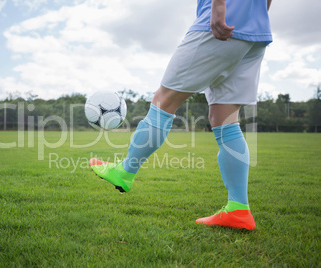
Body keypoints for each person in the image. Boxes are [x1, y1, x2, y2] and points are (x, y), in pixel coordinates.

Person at [89, 0, 272, 230]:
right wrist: (257, 15)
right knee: (225, 119)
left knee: (163, 100)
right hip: (256, 32)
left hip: (221, 22)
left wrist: (218, 6)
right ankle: (238, 209)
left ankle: (125, 172)